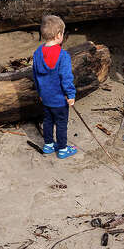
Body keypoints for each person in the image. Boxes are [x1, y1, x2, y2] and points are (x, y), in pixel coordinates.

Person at [32, 14, 77, 159]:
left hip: (45, 97)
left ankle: (48, 144)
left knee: (48, 120)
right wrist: (70, 95)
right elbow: (66, 78)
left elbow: (35, 75)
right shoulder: (63, 56)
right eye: (62, 33)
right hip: (59, 99)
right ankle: (63, 148)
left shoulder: (38, 53)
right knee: (61, 123)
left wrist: (39, 92)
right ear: (58, 35)